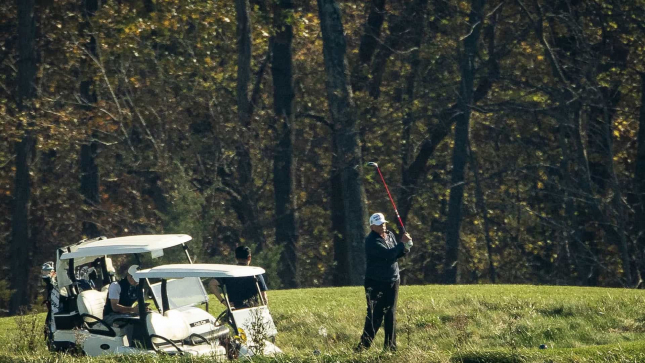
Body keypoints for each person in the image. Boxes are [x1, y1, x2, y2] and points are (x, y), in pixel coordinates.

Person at [356, 212, 413, 352]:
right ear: (372, 226)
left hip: (393, 279)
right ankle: (363, 347)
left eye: (383, 223)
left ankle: (390, 348)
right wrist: (402, 244)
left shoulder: (390, 235)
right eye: (379, 224)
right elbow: (388, 255)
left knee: (390, 313)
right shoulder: (371, 241)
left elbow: (396, 254)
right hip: (375, 282)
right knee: (375, 315)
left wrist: (406, 247)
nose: (382, 225)